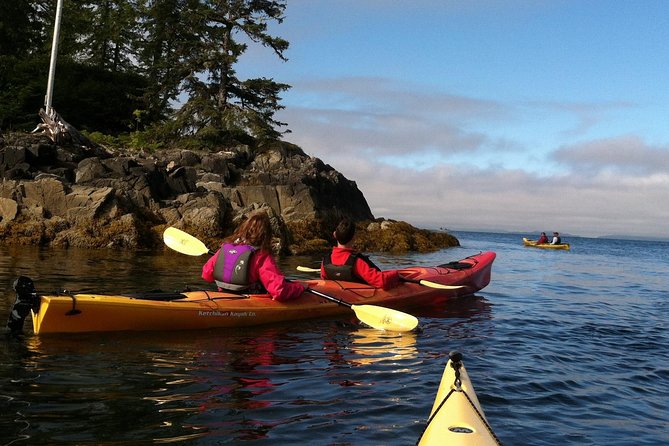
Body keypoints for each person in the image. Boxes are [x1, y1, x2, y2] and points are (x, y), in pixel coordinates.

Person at [202, 211, 305, 301]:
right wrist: (300, 288)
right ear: (266, 235)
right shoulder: (261, 256)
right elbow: (279, 291)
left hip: (222, 296)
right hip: (247, 299)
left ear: (244, 229)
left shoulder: (225, 249)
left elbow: (206, 274)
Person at [320, 218, 400, 290]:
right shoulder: (357, 262)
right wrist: (396, 274)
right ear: (354, 237)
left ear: (334, 234)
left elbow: (324, 280)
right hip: (357, 296)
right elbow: (382, 282)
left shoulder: (326, 260)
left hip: (338, 294)